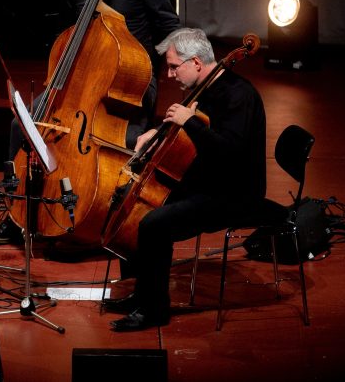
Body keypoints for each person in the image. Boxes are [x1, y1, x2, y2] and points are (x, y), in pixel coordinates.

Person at [0, 0, 181, 244]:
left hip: (129, 82)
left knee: (117, 140)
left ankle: (101, 212)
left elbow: (168, 23)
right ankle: (17, 214)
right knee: (22, 124)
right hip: (80, 78)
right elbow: (67, 32)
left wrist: (174, 59)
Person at [105, 27, 267, 331]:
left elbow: (229, 152)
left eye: (173, 66)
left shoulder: (239, 95)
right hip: (207, 180)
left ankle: (154, 310)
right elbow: (192, 138)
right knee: (136, 204)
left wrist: (189, 121)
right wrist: (157, 132)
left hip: (234, 192)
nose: (168, 75)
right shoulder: (204, 89)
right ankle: (141, 293)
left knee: (154, 224)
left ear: (195, 62)